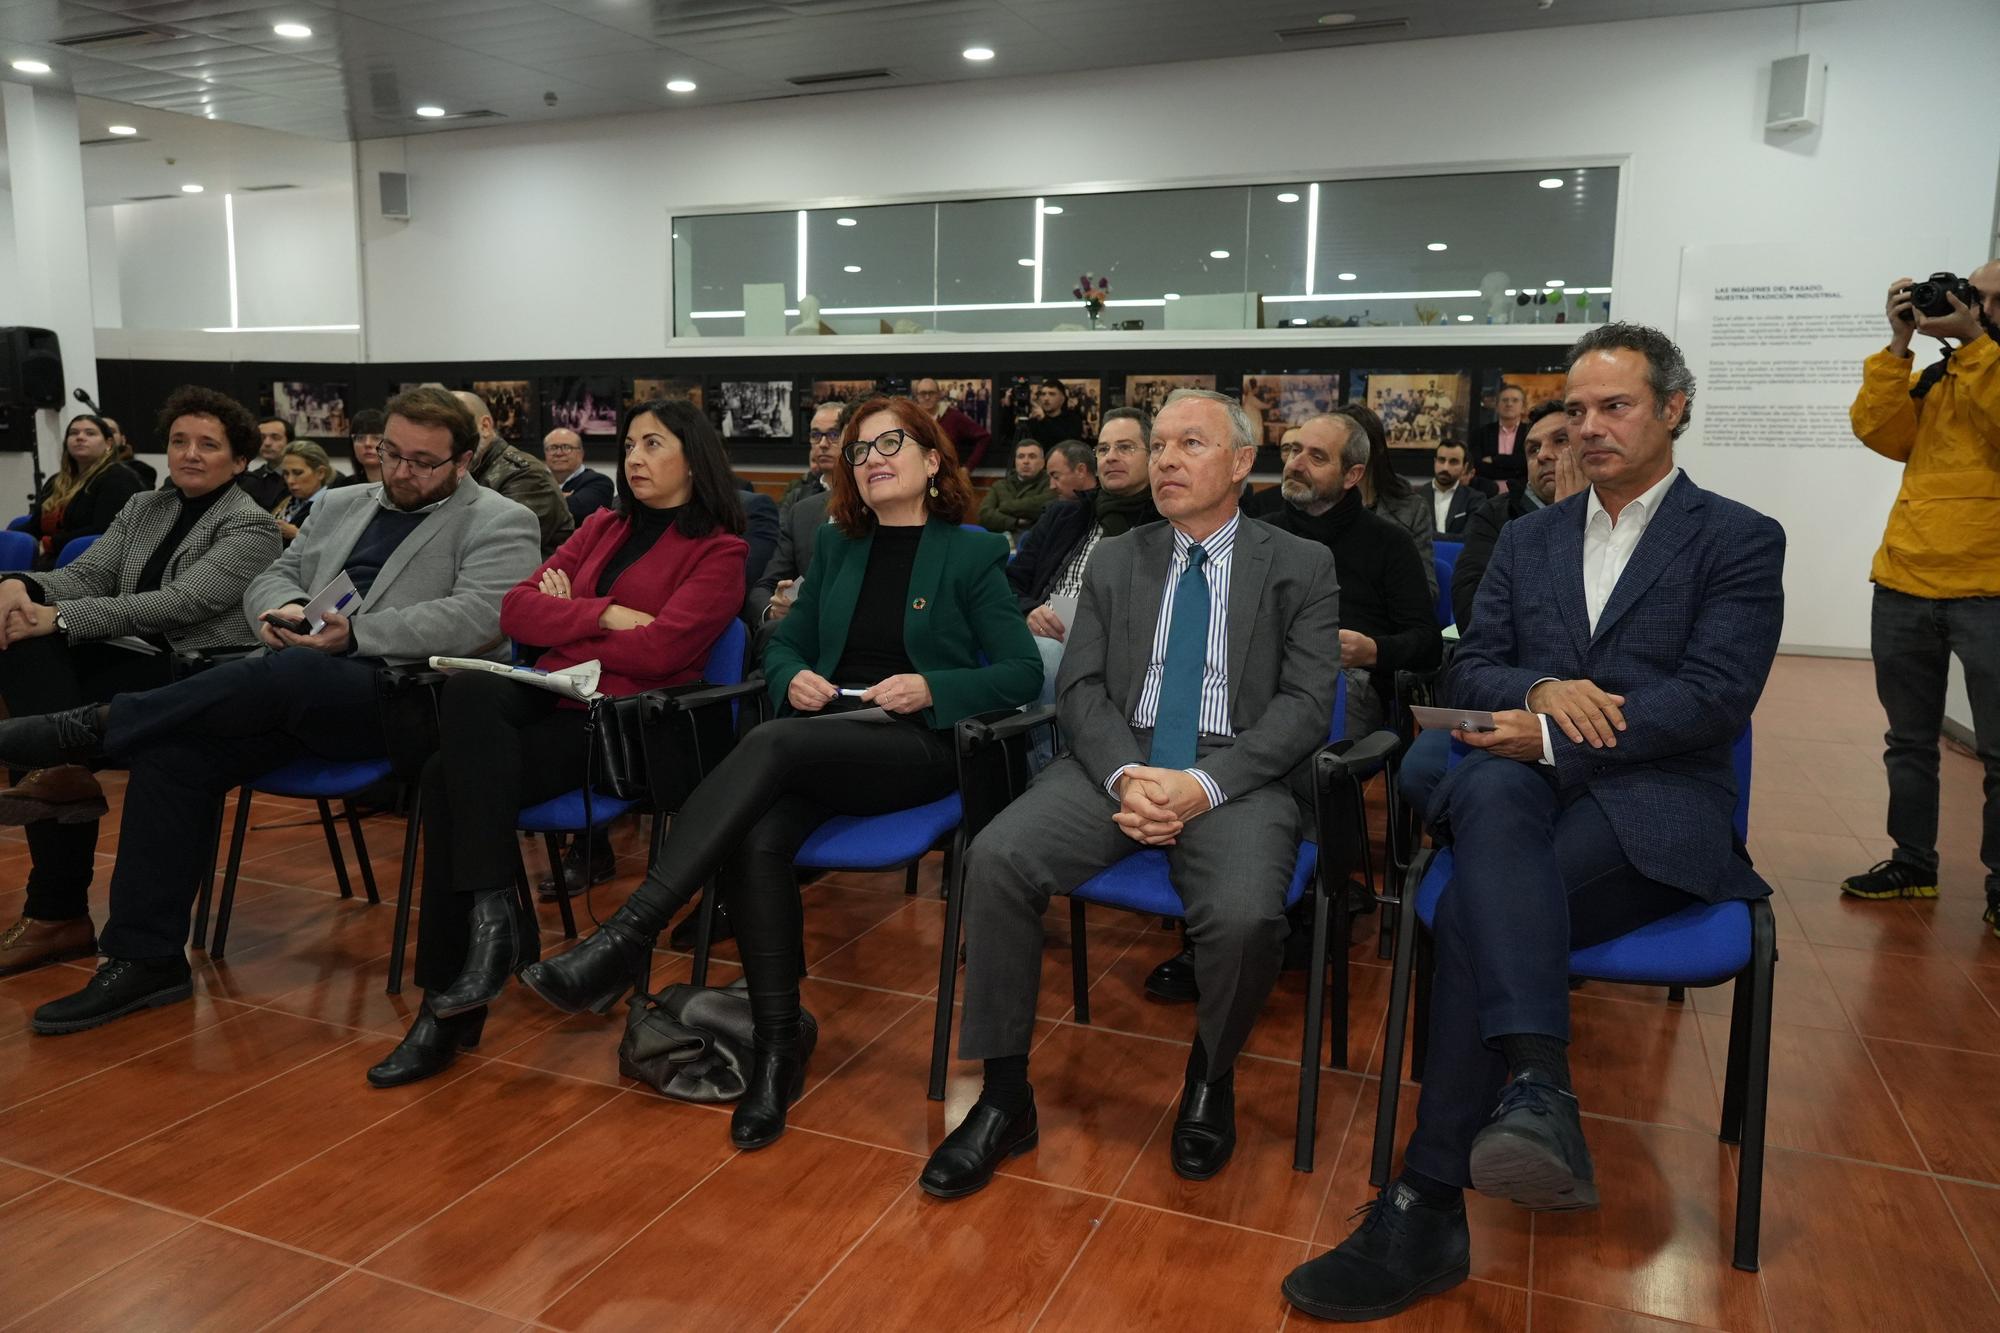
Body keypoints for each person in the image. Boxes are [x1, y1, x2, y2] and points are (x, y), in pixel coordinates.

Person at [1283, 324, 1785, 1323]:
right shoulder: (1527, 535)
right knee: (1492, 784)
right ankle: (1534, 1090)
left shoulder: (1736, 537)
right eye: (1577, 409)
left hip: (1652, 811)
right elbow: (1469, 669)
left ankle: (1427, 1196)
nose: (1589, 427)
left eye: (1616, 406)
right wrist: (1548, 690)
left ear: (1673, 408)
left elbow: (1713, 696)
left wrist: (1556, 732)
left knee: (1471, 909)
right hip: (1513, 783)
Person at [517, 394, 1041, 1151]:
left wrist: (935, 687)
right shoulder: (839, 548)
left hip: (916, 745)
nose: (873, 459)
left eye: (892, 443)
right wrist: (792, 677)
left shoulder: (972, 550)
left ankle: (630, 934)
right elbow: (784, 645)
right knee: (758, 835)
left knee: (771, 747)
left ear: (933, 462)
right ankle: (773, 1050)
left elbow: (1022, 672)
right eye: (860, 450)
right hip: (822, 737)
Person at [0, 387, 542, 1035]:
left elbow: (477, 618)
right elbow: (274, 577)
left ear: (463, 460)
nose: (399, 471)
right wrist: (280, 612)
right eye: (391, 452)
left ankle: (86, 730)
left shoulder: (502, 519)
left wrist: (355, 632)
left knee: (287, 671)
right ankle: (143, 957)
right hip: (293, 683)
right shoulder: (341, 503)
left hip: (403, 700)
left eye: (422, 462)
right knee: (175, 750)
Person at [921, 388, 1340, 1200]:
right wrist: (1127, 774)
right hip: (1119, 760)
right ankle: (1006, 1095)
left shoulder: (1299, 564)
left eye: (1191, 444)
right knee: (997, 856)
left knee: (1251, 916)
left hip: (1236, 772)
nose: (1166, 460)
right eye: (1158, 445)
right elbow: (1078, 690)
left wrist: (1201, 783)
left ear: (1243, 463)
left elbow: (1305, 708)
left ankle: (1210, 1077)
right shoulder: (1119, 556)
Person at [369, 398, 750, 1088]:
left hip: (620, 726)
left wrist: (565, 615)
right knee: (469, 691)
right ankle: (493, 919)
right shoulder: (603, 524)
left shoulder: (721, 549)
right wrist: (604, 612)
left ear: (694, 458)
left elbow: (666, 649)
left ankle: (449, 1005)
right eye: (630, 444)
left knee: (441, 777)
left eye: (654, 444)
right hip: (549, 698)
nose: (634, 457)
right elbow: (514, 610)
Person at [1141, 407, 1439, 1006]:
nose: (1296, 463)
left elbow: (1427, 642)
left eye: (1316, 456)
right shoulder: (1253, 524)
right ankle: (1227, 899)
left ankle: (1292, 897)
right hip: (1245, 681)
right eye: (1294, 449)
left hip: (1344, 684)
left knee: (1304, 732)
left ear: (1353, 476)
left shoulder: (1387, 543)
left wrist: (1372, 648)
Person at [0, 386, 280, 978]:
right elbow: (87, 574)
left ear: (240, 459)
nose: (190, 454)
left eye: (209, 444)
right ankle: (63, 786)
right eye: (179, 441)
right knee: (25, 648)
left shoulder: (252, 526)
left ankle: (57, 910)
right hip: (129, 659)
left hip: (194, 671)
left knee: (40, 667)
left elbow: (181, 604)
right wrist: (19, 586)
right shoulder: (145, 508)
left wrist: (61, 616)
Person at [1840, 262, 2000, 920]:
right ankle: (1912, 863)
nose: (1975, 302)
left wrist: (1978, 345)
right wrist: (1901, 346)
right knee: (1908, 741)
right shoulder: (1942, 372)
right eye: (1973, 292)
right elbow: (1879, 432)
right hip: (1905, 579)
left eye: (1991, 297)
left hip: (1989, 588)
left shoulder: (1981, 367)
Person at [1010, 409, 1159, 703]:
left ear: (1153, 455)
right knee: (1043, 652)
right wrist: (1029, 610)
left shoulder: (1165, 523)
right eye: (1103, 449)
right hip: (1045, 632)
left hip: (1118, 646)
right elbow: (1009, 582)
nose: (1111, 456)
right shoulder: (1064, 516)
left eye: (1125, 447)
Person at [1453, 403, 1571, 632]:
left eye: (1561, 440)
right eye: (1533, 449)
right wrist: (1564, 517)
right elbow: (1472, 615)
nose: (1543, 455)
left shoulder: (1620, 511)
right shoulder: (1496, 515)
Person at [451, 390, 576, 557]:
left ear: (485, 426)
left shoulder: (525, 474)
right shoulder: (460, 469)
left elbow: (499, 545)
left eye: (454, 430)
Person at [1338, 403, 1437, 599]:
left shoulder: (1411, 509)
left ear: (1373, 449)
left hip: (1383, 621)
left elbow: (1426, 592)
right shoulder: (1313, 504)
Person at [27, 415, 144, 571]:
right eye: (74, 433)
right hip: (48, 558)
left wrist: (51, 544)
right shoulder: (57, 481)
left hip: (91, 564)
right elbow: (34, 526)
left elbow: (106, 529)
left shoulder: (118, 478)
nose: (80, 437)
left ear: (109, 444)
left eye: (90, 433)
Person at [779, 402, 842, 515]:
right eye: (815, 435)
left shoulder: (865, 494)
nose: (823, 444)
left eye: (834, 435)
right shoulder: (797, 498)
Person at [915, 377, 992, 469]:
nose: (927, 397)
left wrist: (967, 468)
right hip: (917, 477)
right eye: (923, 393)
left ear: (938, 394)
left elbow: (984, 437)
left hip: (947, 479)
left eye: (931, 393)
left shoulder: (953, 416)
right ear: (917, 396)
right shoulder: (910, 418)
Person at [978, 440, 1053, 534]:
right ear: (1015, 462)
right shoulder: (1000, 485)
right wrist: (1015, 522)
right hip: (1001, 539)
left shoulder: (1051, 483)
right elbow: (984, 516)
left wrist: (1004, 507)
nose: (1026, 461)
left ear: (1042, 463)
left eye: (1032, 457)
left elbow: (1044, 508)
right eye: (1021, 457)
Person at [543, 427, 614, 524]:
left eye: (566, 447)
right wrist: (562, 497)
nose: (558, 453)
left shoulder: (600, 482)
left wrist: (539, 498)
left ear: (581, 453)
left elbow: (578, 512)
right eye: (553, 448)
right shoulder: (536, 481)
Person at [1468, 382, 1529, 490]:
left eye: (1515, 400)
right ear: (1496, 407)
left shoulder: (1530, 432)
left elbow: (1526, 463)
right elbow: (1477, 466)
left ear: (1523, 407)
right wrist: (1512, 466)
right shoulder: (1481, 433)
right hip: (1487, 493)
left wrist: (1495, 460)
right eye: (1504, 400)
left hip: (1522, 493)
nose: (1509, 404)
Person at [272, 440, 336, 542]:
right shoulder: (284, 499)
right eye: (286, 473)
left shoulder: (332, 505)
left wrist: (296, 534)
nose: (290, 481)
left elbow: (334, 546)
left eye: (297, 473)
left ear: (320, 473)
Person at [1012, 377, 1084, 450]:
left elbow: (1067, 445)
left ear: (1062, 399)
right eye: (1043, 394)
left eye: (1052, 394)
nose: (1046, 398)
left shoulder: (1073, 419)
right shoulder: (1034, 420)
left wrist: (1044, 419)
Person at [1427, 440, 1480, 537]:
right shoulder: (1416, 497)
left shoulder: (1475, 500)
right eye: (1441, 460)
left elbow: (1470, 538)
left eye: (1453, 462)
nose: (1445, 468)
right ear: (1435, 462)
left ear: (1465, 467)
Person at [240, 417, 291, 511]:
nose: (267, 443)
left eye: (275, 437)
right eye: (262, 438)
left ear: (290, 442)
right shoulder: (251, 478)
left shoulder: (301, 478)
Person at [334, 409, 387, 488]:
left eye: (376, 438)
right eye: (360, 438)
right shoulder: (344, 486)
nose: (367, 443)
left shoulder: (402, 486)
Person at [103, 416, 155, 489]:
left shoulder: (140, 470)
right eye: (101, 432)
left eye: (111, 432)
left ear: (123, 440)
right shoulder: (82, 470)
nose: (106, 436)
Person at [1042, 439, 1097, 504]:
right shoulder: (1053, 508)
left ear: (1081, 471)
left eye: (1056, 477)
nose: (1052, 486)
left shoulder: (1105, 507)